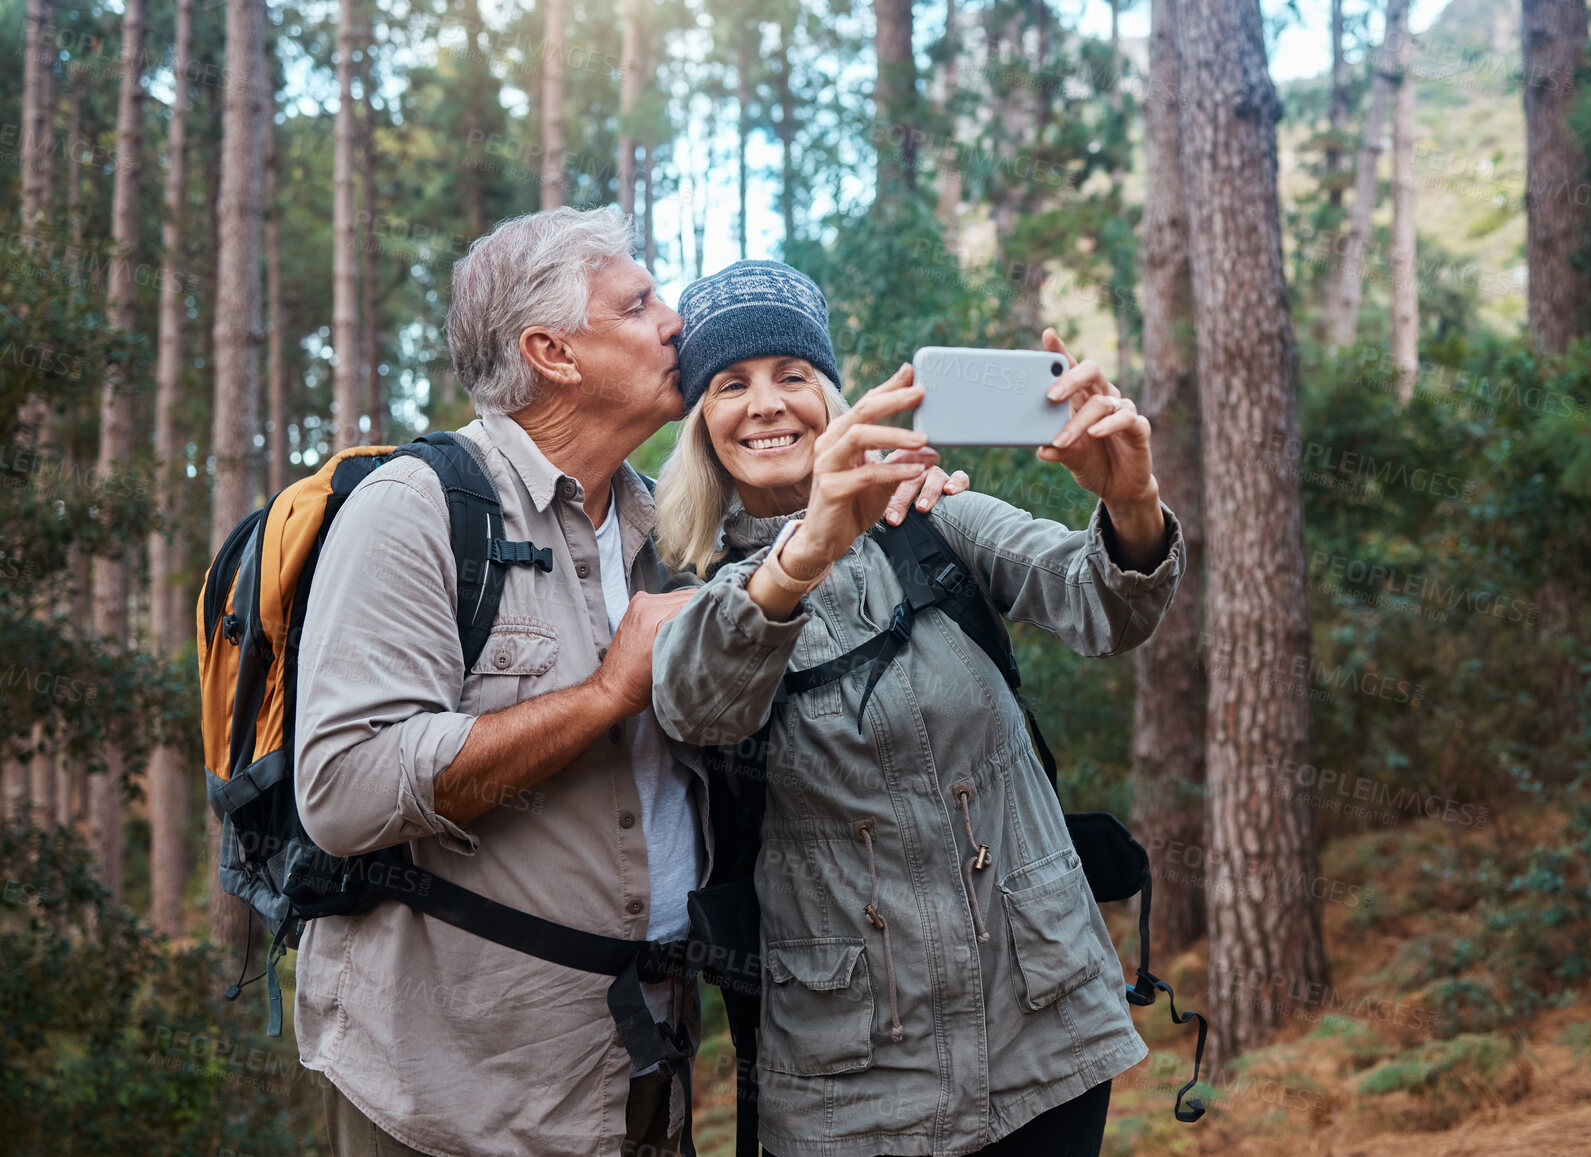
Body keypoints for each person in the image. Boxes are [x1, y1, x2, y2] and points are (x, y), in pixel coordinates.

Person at [291, 213, 959, 1157]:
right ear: (551, 352)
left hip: (644, 1063)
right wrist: (607, 693)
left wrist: (903, 500)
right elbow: (344, 790)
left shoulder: (665, 535)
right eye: (639, 303)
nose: (677, 320)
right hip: (458, 1094)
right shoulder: (414, 509)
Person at [650, 260, 1186, 1157]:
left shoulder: (932, 517)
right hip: (853, 1076)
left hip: (1042, 1026)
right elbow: (697, 704)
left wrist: (1130, 501)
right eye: (730, 384)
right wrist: (807, 546)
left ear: (832, 396)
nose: (765, 404)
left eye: (792, 376)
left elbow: (1103, 604)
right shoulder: (690, 582)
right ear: (701, 423)